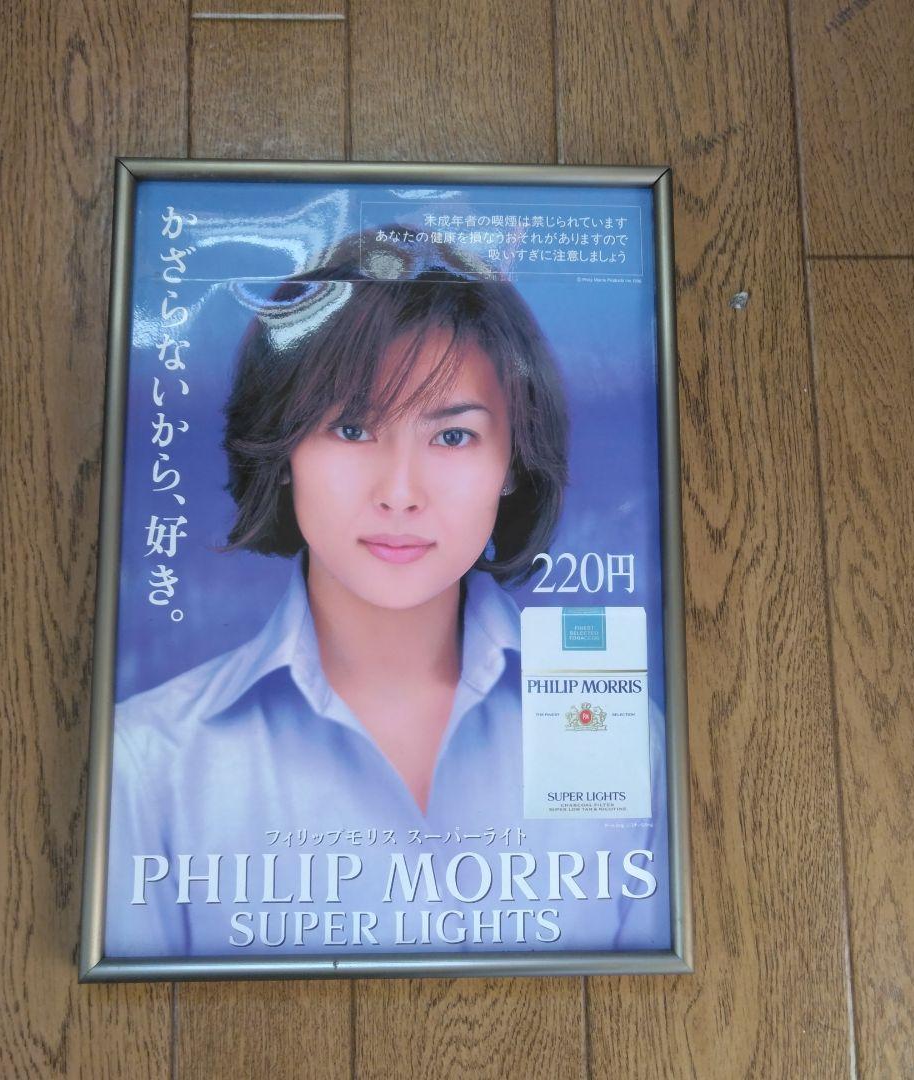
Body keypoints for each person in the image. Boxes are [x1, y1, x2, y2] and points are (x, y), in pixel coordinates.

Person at [105, 232, 669, 957]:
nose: (400, 493)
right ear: (284, 450)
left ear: (512, 461)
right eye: (351, 428)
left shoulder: (620, 733)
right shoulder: (149, 765)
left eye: (453, 437)